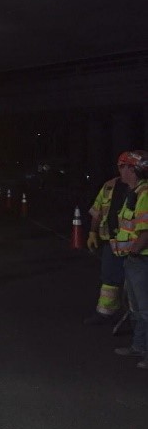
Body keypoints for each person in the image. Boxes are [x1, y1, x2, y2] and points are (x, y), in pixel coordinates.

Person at [111, 150, 148, 369]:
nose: (120, 171)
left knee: (144, 308)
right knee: (135, 307)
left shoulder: (144, 194)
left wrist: (134, 252)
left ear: (132, 169)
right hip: (134, 259)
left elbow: (145, 231)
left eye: (121, 167)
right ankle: (138, 347)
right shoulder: (134, 192)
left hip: (141, 259)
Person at [84, 154, 130, 325]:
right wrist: (92, 232)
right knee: (109, 279)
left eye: (127, 166)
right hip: (112, 242)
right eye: (121, 166)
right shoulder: (109, 186)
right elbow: (97, 211)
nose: (123, 169)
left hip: (136, 244)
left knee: (134, 282)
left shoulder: (141, 188)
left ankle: (134, 318)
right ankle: (105, 313)